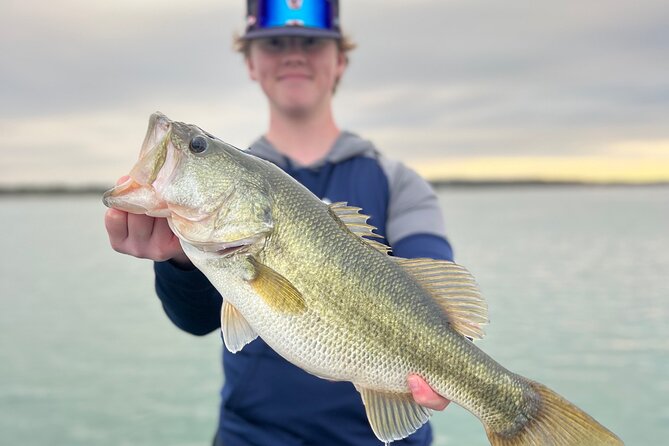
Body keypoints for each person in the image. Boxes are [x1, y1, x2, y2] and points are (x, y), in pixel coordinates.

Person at [104, 1, 453, 444]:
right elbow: (196, 320)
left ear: (340, 59)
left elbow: (437, 301)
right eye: (273, 44)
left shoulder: (399, 183)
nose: (293, 54)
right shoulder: (238, 183)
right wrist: (180, 262)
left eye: (311, 42)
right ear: (250, 62)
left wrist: (447, 360)